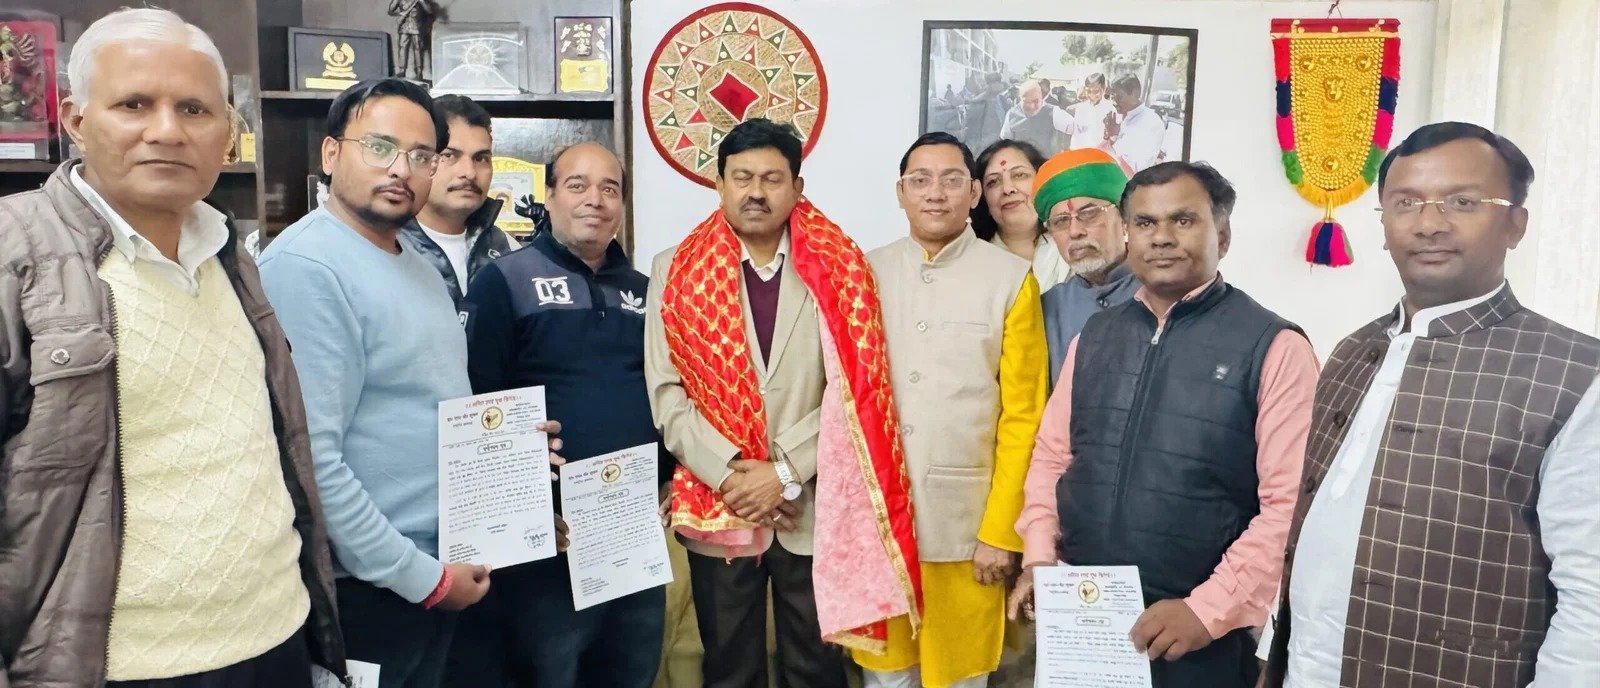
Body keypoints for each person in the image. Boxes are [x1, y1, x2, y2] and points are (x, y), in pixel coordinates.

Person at [0, 8, 345, 687]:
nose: (167, 130)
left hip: (275, 638)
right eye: (134, 104)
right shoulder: (16, 256)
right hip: (115, 667)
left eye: (194, 109)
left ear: (227, 131)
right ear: (76, 121)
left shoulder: (230, 255)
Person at [1261, 123, 1600, 687]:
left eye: (1462, 202)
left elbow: (1592, 597)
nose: (1429, 223)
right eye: (1406, 203)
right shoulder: (1353, 351)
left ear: (1516, 224)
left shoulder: (1576, 374)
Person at [259, 78, 531, 688]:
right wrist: (423, 579)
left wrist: (509, 448)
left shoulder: (415, 264)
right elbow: (311, 460)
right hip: (371, 587)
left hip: (434, 569)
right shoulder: (306, 266)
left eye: (421, 155)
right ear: (332, 154)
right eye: (380, 147)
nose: (401, 169)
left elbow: (431, 408)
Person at [1012, 162, 1319, 687]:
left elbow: (1288, 507)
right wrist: (1039, 557)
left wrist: (1206, 610)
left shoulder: (1274, 347)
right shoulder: (1096, 337)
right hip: (1086, 624)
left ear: (1222, 235)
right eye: (1146, 223)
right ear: (1128, 235)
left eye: (1183, 220)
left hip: (1196, 638)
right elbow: (1053, 457)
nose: (1161, 238)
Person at [645, 118, 919, 688]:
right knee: (729, 668)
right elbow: (667, 392)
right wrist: (733, 476)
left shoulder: (840, 267)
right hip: (720, 503)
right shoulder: (674, 269)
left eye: (772, 179)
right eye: (742, 177)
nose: (756, 192)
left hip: (814, 506)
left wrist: (785, 472)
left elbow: (858, 386)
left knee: (815, 667)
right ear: (719, 183)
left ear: (797, 187)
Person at [448, 142, 669, 687]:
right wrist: (524, 514)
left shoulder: (647, 293)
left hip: (631, 529)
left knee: (631, 672)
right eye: (577, 185)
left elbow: (668, 393)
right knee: (548, 673)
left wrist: (668, 479)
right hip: (549, 539)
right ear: (549, 196)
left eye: (610, 189)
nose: (595, 199)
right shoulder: (505, 281)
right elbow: (477, 407)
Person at [853, 132, 1047, 688]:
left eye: (951, 180)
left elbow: (1024, 416)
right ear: (901, 193)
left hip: (967, 530)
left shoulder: (1010, 279)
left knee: (961, 677)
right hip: (880, 526)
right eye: (920, 180)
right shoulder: (865, 273)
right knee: (886, 678)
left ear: (973, 194)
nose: (935, 193)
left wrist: (1001, 532)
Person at [1030, 148, 1142, 386]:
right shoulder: (1047, 308)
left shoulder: (1165, 293)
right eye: (1060, 221)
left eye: (1089, 214)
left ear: (1124, 217)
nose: (1075, 231)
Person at [401, 94, 514, 306]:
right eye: (449, 155)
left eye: (481, 158)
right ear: (420, 159)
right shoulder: (386, 245)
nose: (469, 173)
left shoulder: (508, 250)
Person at [971, 139, 1070, 291]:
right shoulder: (973, 262)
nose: (1007, 189)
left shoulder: (1073, 242)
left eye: (1019, 175)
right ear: (982, 197)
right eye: (993, 182)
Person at [1103, 74, 1166, 173]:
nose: (1114, 102)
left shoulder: (1151, 123)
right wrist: (1109, 139)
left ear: (1134, 94)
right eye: (1112, 96)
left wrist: (1114, 138)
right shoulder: (1115, 117)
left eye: (1119, 96)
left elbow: (1137, 168)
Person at [1000, 80, 1071, 157]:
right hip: (1022, 162)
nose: (1032, 106)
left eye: (1036, 101)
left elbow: (1075, 129)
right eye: (1026, 102)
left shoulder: (1054, 112)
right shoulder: (1012, 114)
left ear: (1042, 97)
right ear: (1020, 99)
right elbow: (1005, 142)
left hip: (1047, 162)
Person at [961, 72, 1008, 155]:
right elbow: (971, 126)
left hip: (1000, 145)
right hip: (984, 147)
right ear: (989, 84)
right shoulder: (979, 101)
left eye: (999, 81)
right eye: (996, 82)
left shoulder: (1002, 100)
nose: (999, 85)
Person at [1069, 73, 1116, 150]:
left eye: (1096, 91)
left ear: (1104, 88)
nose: (1092, 95)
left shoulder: (1112, 109)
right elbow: (1076, 136)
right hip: (1082, 152)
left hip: (1102, 153)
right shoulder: (1080, 108)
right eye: (1088, 91)